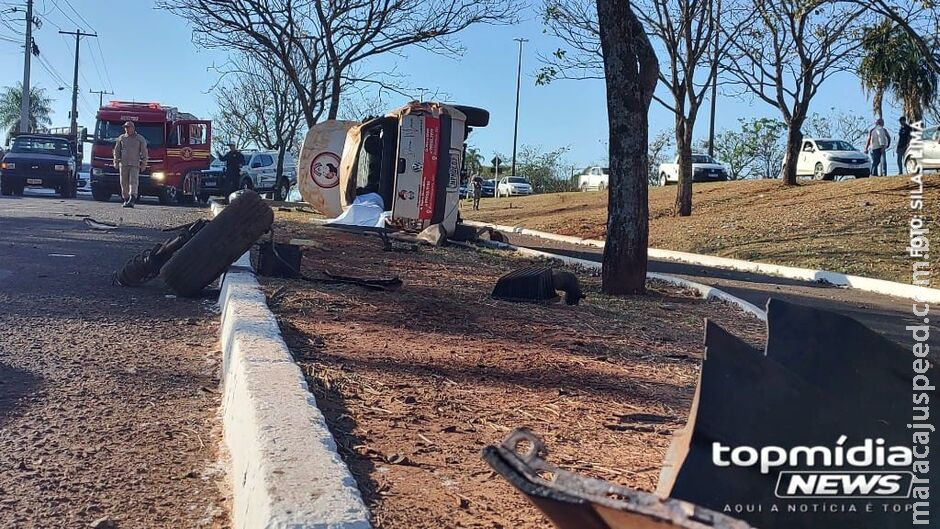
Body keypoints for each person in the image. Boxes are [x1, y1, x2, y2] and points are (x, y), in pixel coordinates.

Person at [113, 121, 148, 208]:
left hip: (134, 164)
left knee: (133, 182)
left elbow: (144, 152)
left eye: (128, 127)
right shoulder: (121, 138)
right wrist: (116, 161)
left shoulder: (140, 138)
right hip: (123, 164)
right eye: (125, 127)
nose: (126, 129)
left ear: (133, 128)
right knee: (123, 182)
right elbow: (116, 151)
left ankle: (132, 198)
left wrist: (144, 163)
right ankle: (126, 198)